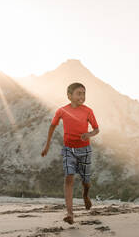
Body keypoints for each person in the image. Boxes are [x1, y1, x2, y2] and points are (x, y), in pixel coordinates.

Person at [41, 82, 100, 224]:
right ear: (69, 96)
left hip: (85, 150)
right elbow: (52, 126)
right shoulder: (61, 111)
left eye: (84, 93)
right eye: (79, 93)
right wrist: (47, 145)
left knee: (86, 181)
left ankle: (85, 195)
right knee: (69, 177)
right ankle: (70, 214)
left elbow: (97, 129)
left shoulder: (88, 111)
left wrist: (89, 134)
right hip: (68, 150)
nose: (82, 96)